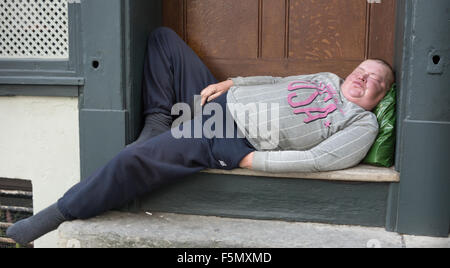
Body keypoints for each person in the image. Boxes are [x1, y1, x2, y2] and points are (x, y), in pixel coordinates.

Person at [7, 27, 394, 245]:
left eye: (375, 79)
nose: (363, 77)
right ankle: (159, 120)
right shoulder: (329, 79)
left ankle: (54, 215)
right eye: (362, 69)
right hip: (220, 98)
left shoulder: (361, 124)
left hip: (226, 133)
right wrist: (231, 82)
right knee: (163, 40)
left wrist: (250, 160)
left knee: (132, 160)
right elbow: (278, 81)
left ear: (381, 96)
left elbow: (320, 160)